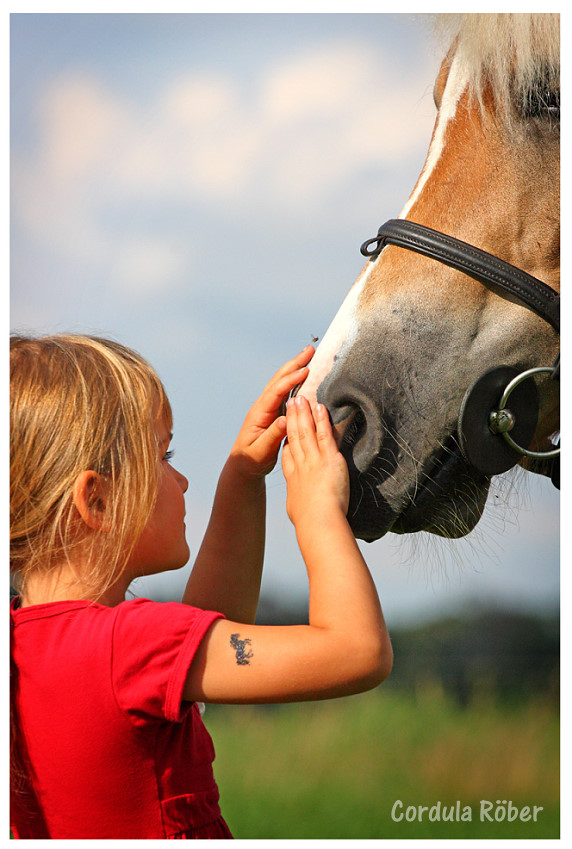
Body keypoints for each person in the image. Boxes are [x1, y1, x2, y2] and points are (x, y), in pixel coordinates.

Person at [10, 333, 392, 839]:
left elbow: (209, 628)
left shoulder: (24, 647)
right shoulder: (128, 646)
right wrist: (318, 512)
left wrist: (243, 476)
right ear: (97, 501)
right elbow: (356, 650)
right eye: (165, 457)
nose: (183, 480)